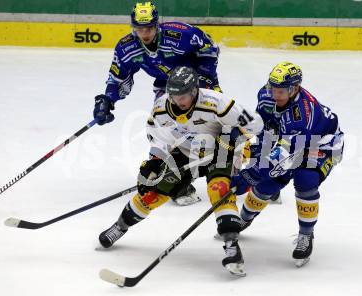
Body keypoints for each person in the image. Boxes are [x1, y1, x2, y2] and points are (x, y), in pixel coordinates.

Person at [98, 66, 263, 276]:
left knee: (219, 190)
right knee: (153, 191)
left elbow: (255, 125)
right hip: (186, 150)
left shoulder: (217, 103)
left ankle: (231, 245)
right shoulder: (161, 107)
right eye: (175, 96)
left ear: (194, 91)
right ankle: (120, 226)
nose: (179, 100)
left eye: (183, 95)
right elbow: (158, 136)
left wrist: (235, 136)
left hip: (223, 149)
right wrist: (155, 161)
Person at [92, 2, 221, 206]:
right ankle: (171, 175)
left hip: (197, 84)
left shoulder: (180, 34)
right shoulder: (127, 47)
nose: (144, 33)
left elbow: (209, 48)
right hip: (166, 86)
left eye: (149, 28)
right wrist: (107, 99)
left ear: (157, 24)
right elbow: (117, 78)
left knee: (216, 128)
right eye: (139, 28)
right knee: (162, 128)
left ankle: (247, 173)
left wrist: (203, 78)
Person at [231, 61, 344, 267]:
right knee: (266, 184)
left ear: (295, 89)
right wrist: (257, 159)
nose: (276, 94)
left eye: (282, 90)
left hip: (322, 145)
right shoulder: (265, 95)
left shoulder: (303, 115)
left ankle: (306, 236)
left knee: (305, 179)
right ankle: (244, 218)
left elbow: (283, 153)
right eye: (273, 88)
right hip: (289, 141)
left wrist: (250, 174)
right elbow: (266, 128)